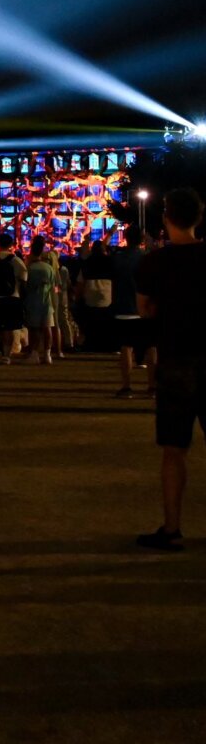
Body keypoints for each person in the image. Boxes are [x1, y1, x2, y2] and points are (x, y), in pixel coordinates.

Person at [135, 188, 206, 550]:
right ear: (199, 218)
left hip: (176, 359)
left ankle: (172, 526)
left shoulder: (156, 262)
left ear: (166, 218)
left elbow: (145, 308)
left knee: (174, 449)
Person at [111, 227, 155, 399]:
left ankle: (127, 386)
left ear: (126, 238)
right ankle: (152, 386)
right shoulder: (146, 258)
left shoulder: (118, 258)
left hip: (124, 308)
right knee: (151, 347)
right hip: (144, 308)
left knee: (126, 348)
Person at [0, 233, 27, 363]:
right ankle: (6, 356)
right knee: (9, 327)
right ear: (11, 245)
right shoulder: (15, 260)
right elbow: (24, 277)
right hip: (11, 297)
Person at [22, 236, 58, 366]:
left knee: (34, 329)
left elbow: (25, 286)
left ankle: (34, 353)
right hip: (47, 300)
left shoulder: (29, 269)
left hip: (32, 300)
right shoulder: (49, 268)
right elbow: (54, 284)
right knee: (47, 327)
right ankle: (47, 354)